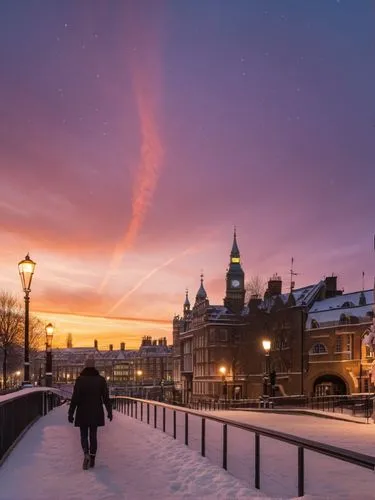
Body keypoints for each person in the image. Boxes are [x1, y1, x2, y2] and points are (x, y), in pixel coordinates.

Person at [68, 355, 113, 470]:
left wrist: (71, 413)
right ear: (94, 366)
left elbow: (75, 398)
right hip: (96, 411)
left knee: (84, 435)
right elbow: (105, 398)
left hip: (82, 411)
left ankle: (86, 454)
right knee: (93, 435)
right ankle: (92, 457)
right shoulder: (101, 380)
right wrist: (109, 411)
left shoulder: (80, 380)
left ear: (85, 366)